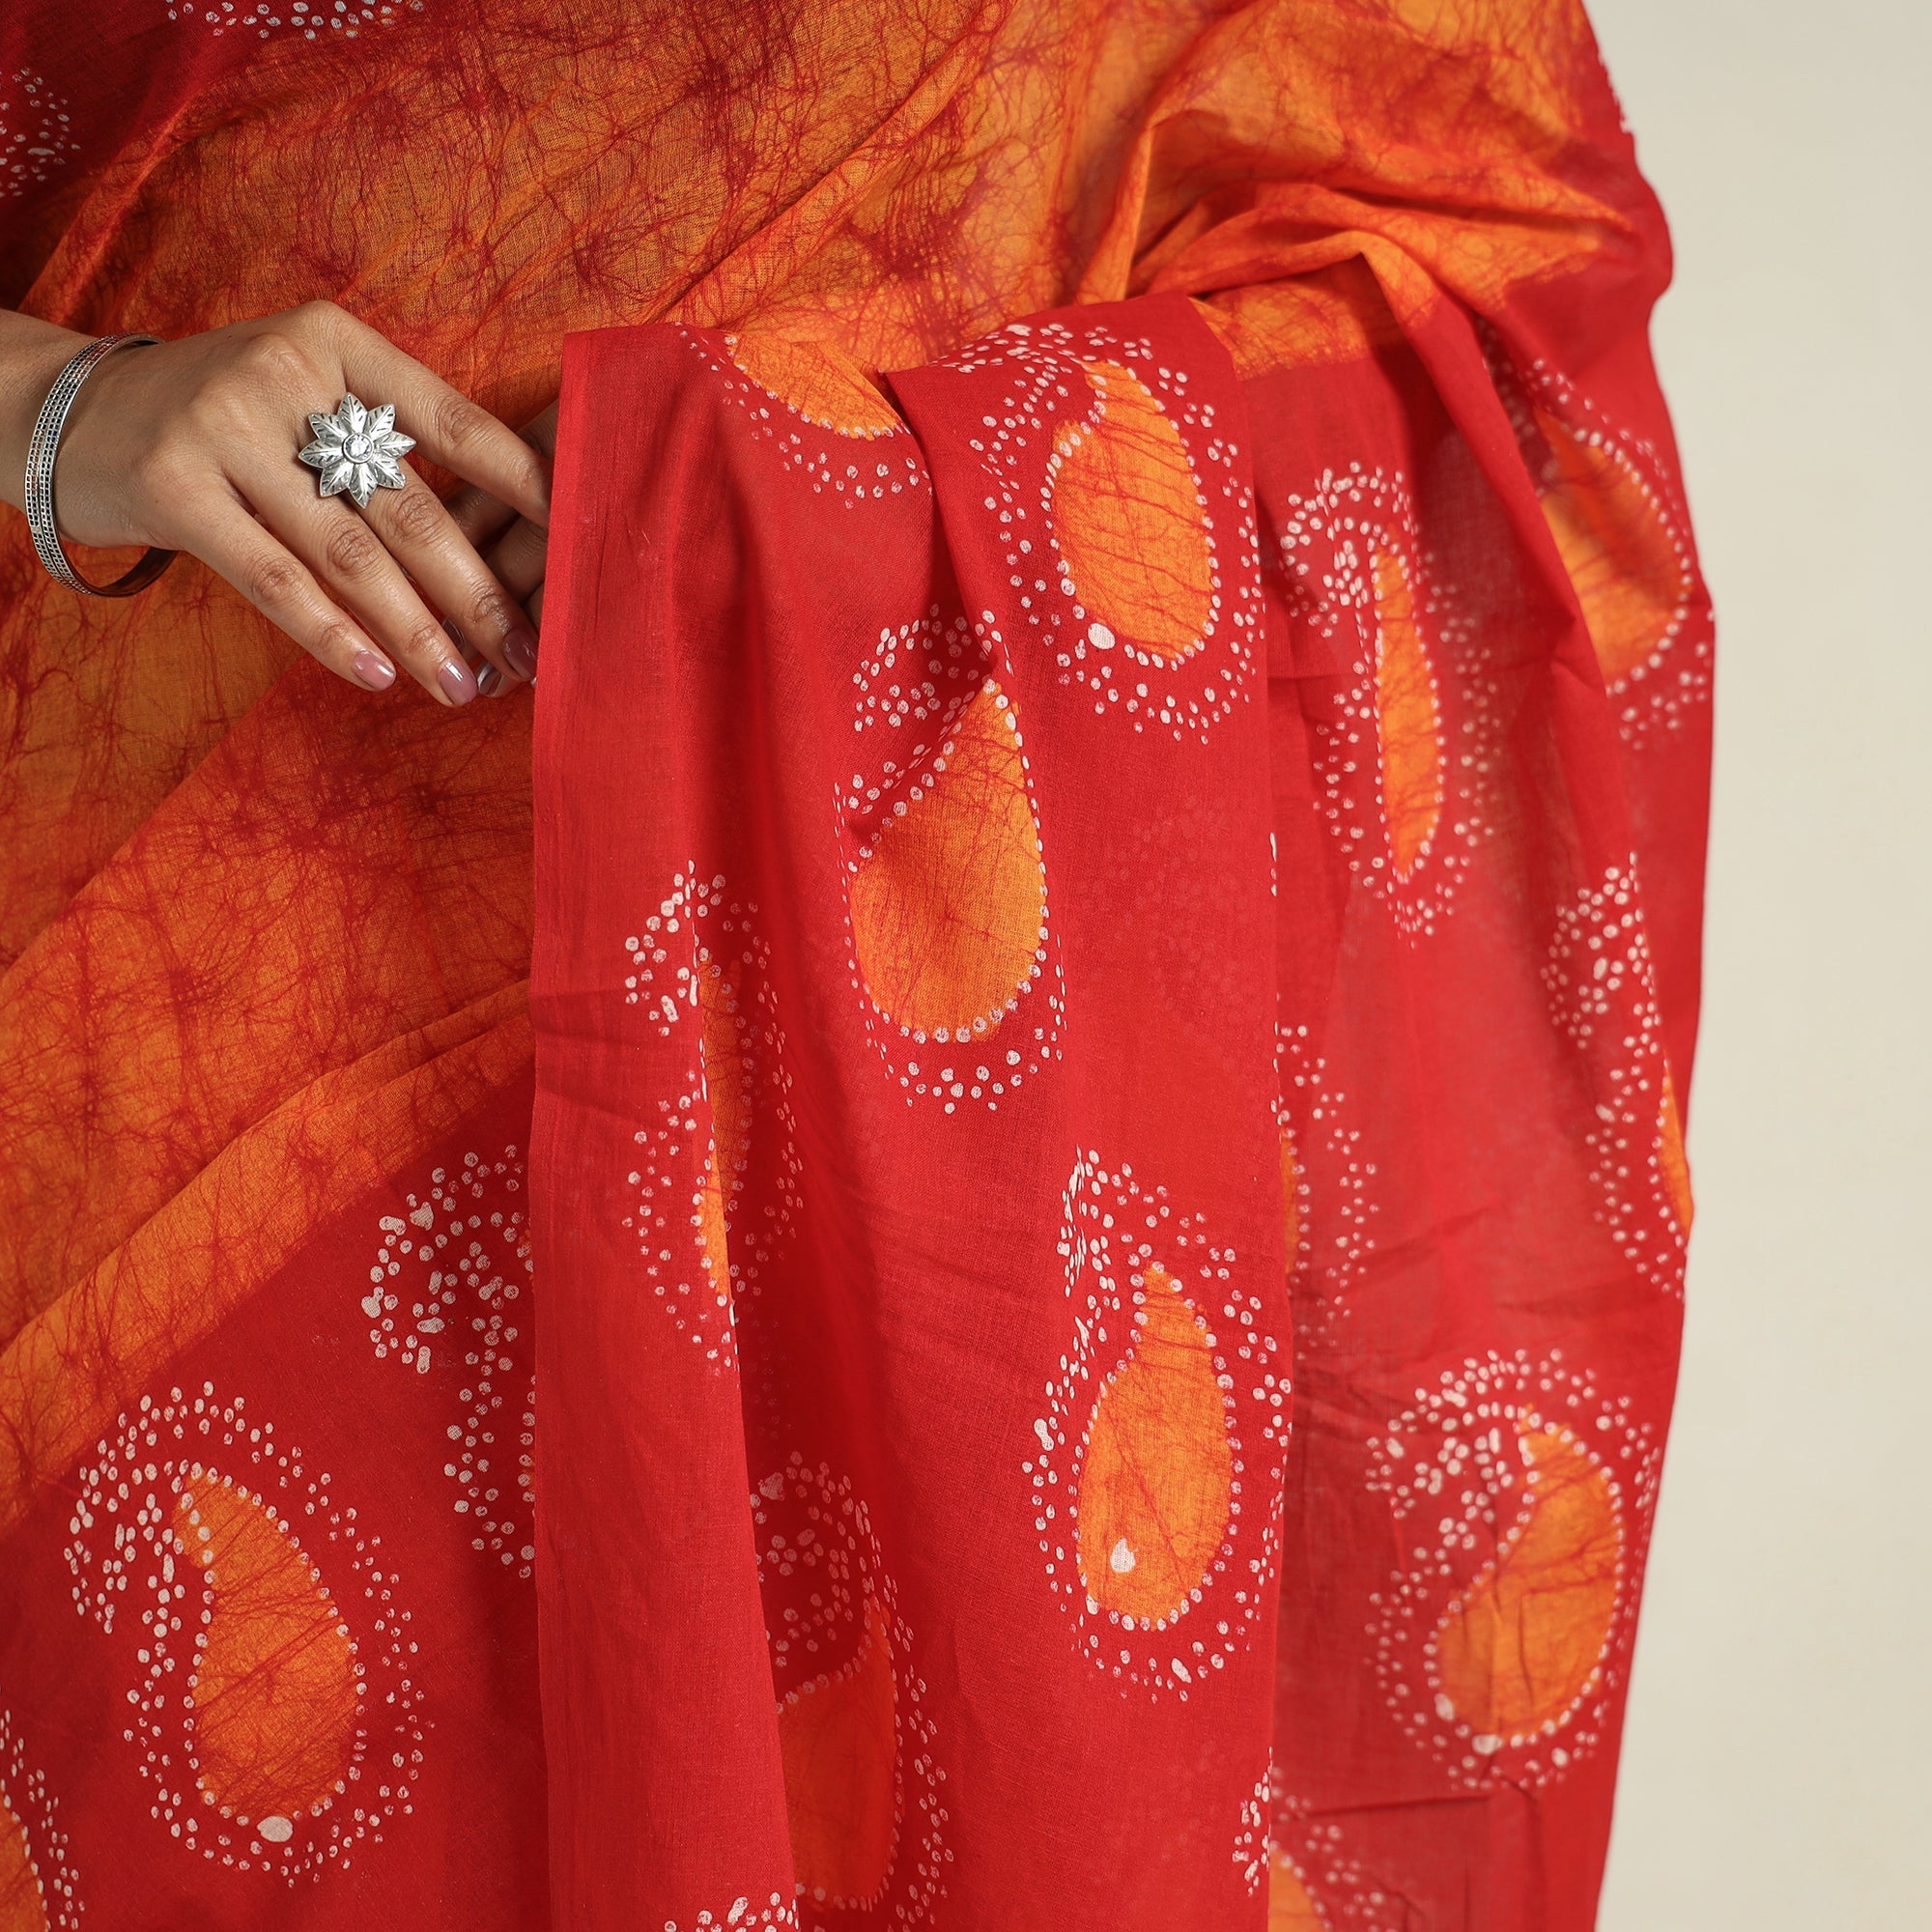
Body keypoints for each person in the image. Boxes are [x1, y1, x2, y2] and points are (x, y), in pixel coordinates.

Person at [0, 4, 1711, 1928]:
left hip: (894, 1108)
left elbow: (1508, 299)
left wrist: (813, 479)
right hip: (148, 1067)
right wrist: (62, 407)